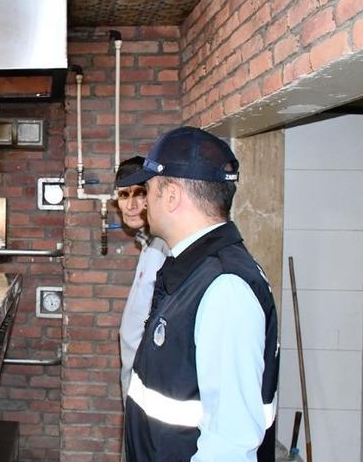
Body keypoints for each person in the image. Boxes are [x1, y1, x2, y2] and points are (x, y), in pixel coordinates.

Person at [117, 127, 279, 462]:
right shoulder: (190, 269)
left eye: (148, 189)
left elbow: (231, 444)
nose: (144, 202)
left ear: (172, 195)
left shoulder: (225, 287)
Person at [115, 157, 169, 402]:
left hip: (150, 378)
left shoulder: (165, 247)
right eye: (124, 195)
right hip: (134, 374)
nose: (131, 205)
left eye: (139, 193)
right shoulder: (149, 245)